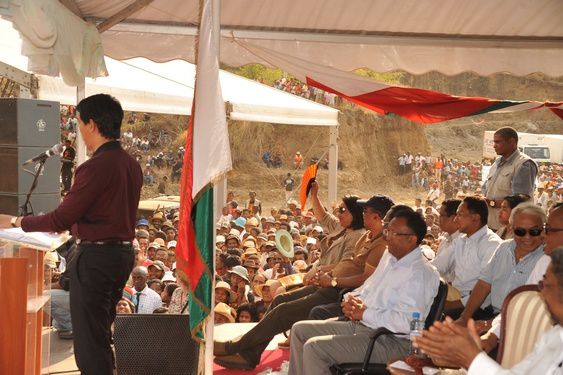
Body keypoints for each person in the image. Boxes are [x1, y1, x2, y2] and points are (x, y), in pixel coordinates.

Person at [0, 94, 142, 375]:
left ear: (90, 123)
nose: (78, 130)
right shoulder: (131, 164)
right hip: (120, 255)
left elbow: (62, 218)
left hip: (97, 259)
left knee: (90, 344)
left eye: (78, 122)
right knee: (99, 335)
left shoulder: (95, 166)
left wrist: (16, 220)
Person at [213, 185, 370, 370]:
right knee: (279, 299)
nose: (339, 212)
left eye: (343, 210)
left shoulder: (357, 236)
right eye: (339, 209)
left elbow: (346, 267)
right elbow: (323, 217)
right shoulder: (344, 229)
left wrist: (318, 269)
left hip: (332, 290)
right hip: (321, 284)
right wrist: (314, 195)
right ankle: (250, 354)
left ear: (355, 214)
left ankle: (236, 347)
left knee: (283, 311)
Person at [288, 209, 440, 375]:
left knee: (315, 348)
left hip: (393, 342)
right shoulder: (390, 257)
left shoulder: (420, 274)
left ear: (411, 239)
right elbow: (368, 287)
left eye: (392, 233)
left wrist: (364, 314)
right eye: (387, 231)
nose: (386, 236)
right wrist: (351, 300)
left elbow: (406, 323)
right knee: (299, 330)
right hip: (367, 327)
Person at [413, 247, 563, 375]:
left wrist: (471, 358)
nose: (540, 293)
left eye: (545, 285)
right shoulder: (555, 335)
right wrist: (467, 356)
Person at [482, 127, 538, 231]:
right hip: (491, 225)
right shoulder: (496, 163)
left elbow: (520, 202)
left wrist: (491, 203)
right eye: (494, 142)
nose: (494, 146)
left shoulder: (524, 164)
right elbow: (486, 189)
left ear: (512, 141)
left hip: (509, 229)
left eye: (498, 142)